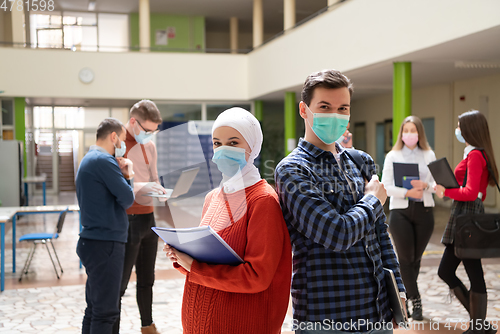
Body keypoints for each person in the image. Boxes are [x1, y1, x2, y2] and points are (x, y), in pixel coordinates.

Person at [274, 69, 406, 334]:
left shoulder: (361, 161)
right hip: (326, 314)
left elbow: (380, 233)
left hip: (377, 310)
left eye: (342, 108)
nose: (335, 115)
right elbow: (337, 233)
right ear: (304, 110)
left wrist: (398, 288)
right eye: (324, 107)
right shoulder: (292, 170)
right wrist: (372, 200)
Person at [163, 108, 292, 334]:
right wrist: (182, 255)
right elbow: (207, 262)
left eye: (233, 143)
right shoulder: (213, 197)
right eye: (217, 143)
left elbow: (257, 277)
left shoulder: (262, 201)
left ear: (252, 148)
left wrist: (194, 267)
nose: (223, 150)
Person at [436, 110, 498, 334]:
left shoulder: (475, 155)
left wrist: (447, 190)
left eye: (460, 126)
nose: (458, 130)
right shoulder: (474, 153)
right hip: (466, 214)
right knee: (454, 270)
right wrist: (449, 191)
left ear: (470, 129)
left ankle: (478, 326)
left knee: (467, 271)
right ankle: (480, 325)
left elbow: (471, 192)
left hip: (467, 214)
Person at [76, 118, 135, 333]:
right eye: (123, 139)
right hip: (106, 245)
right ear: (113, 137)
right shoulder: (103, 160)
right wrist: (128, 174)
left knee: (94, 309)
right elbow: (128, 198)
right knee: (106, 313)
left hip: (93, 242)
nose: (123, 144)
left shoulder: (89, 159)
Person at [113, 100, 166, 334]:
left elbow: (154, 178)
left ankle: (148, 325)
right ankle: (112, 328)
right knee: (120, 283)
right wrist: (142, 188)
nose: (150, 136)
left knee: (147, 279)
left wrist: (160, 191)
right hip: (127, 220)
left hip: (148, 219)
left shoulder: (150, 147)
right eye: (147, 131)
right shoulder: (115, 144)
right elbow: (115, 185)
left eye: (154, 131)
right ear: (133, 122)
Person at [381, 115, 436, 320]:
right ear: (401, 134)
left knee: (415, 259)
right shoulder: (393, 155)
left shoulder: (429, 154)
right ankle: (415, 300)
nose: (409, 135)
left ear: (419, 133)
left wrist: (426, 186)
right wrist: (406, 193)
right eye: (406, 131)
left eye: (413, 131)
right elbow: (385, 185)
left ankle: (408, 298)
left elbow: (437, 184)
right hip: (400, 212)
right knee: (404, 259)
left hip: (425, 211)